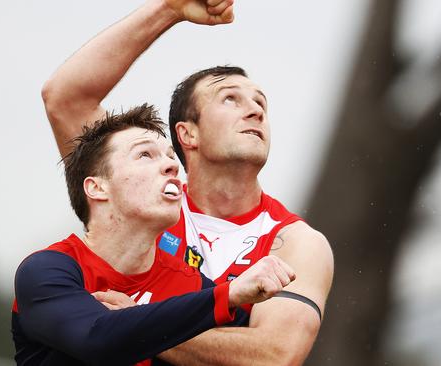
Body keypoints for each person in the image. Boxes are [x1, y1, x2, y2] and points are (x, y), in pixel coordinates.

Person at [41, 0, 334, 365]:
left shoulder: (296, 243)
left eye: (261, 103)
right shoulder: (138, 200)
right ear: (187, 134)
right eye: (230, 98)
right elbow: (66, 98)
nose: (256, 110)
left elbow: (272, 358)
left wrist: (132, 325)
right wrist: (169, 8)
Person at [11, 105, 296, 365]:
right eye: (145, 154)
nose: (173, 166)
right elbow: (96, 340)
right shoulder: (47, 270)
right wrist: (228, 294)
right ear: (97, 188)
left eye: (171, 157)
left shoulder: (193, 285)